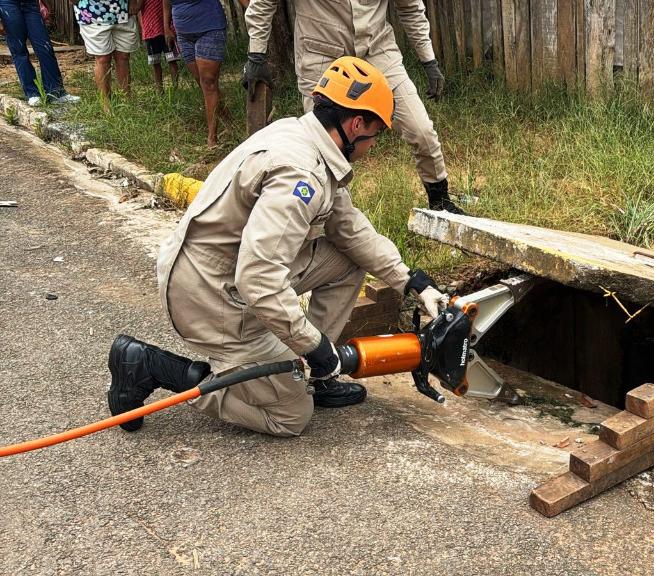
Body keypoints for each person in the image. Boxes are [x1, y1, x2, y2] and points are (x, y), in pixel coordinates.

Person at [107, 57, 447, 437]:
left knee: (350, 260)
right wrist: (314, 345)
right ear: (355, 125)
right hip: (209, 298)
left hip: (224, 272)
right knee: (290, 416)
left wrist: (411, 282)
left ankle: (311, 374)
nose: (372, 145)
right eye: (375, 134)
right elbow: (258, 279)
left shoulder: (305, 139)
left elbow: (349, 229)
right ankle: (152, 367)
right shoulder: (301, 175)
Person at [241, 0, 465, 214]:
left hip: (376, 50)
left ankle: (440, 202)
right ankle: (328, 217)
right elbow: (263, 3)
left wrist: (429, 61)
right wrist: (256, 54)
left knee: (421, 129)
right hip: (320, 54)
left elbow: (410, 8)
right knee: (323, 149)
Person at [162, 0, 227, 147]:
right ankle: (229, 122)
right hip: (183, 33)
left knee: (208, 82)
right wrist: (166, 27)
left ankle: (212, 139)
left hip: (210, 27)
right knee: (203, 83)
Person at [0, 0, 79, 105]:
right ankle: (32, 93)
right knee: (19, 51)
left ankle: (56, 92)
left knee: (45, 47)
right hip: (7, 4)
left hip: (31, 4)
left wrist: (46, 4)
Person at [74, 0, 140, 113]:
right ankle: (106, 103)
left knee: (123, 56)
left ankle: (127, 100)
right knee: (103, 58)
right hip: (92, 12)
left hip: (122, 10)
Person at [139, 0, 178, 92]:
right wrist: (142, 28)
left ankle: (175, 89)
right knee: (155, 62)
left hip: (167, 29)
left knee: (172, 60)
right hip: (150, 29)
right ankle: (159, 90)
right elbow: (138, 9)